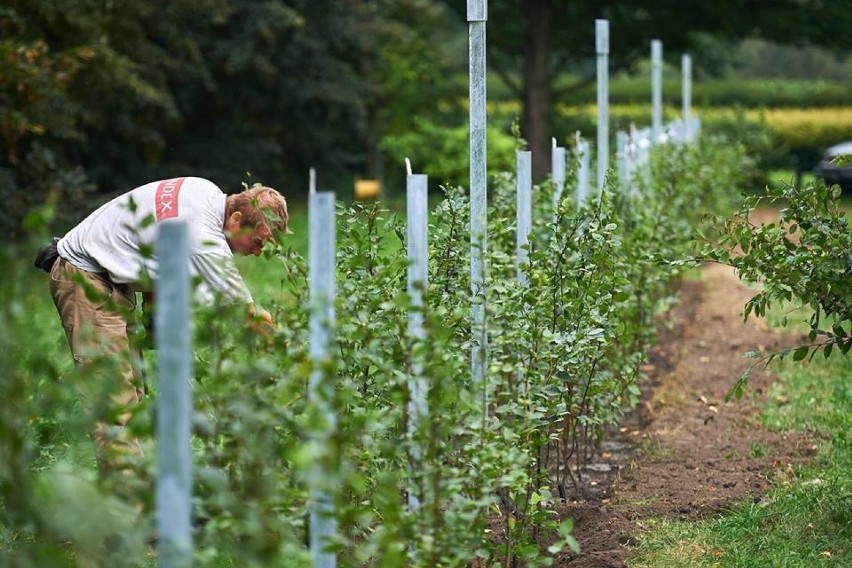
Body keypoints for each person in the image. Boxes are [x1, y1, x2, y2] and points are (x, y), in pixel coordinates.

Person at [43, 176, 288, 471]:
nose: (258, 252)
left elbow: (155, 244)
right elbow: (249, 317)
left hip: (110, 279)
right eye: (258, 241)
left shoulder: (206, 192)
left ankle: (145, 495)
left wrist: (153, 316)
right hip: (85, 278)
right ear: (236, 220)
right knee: (113, 409)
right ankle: (129, 511)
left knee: (131, 398)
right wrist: (295, 355)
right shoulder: (206, 239)